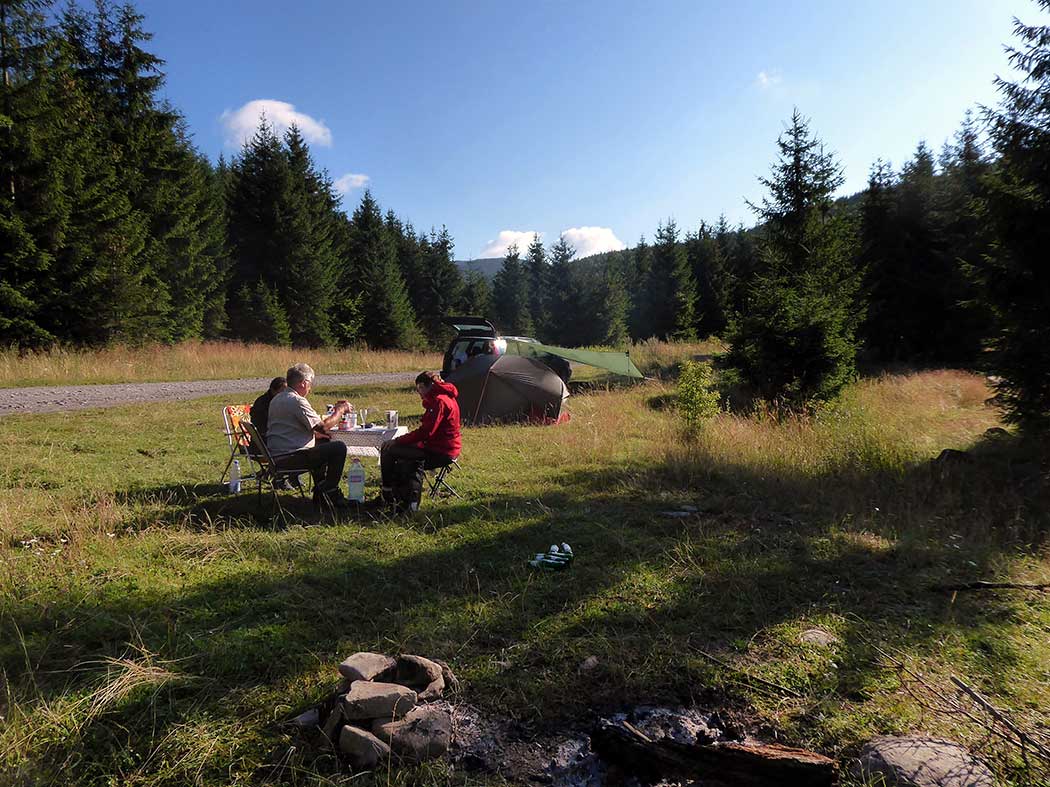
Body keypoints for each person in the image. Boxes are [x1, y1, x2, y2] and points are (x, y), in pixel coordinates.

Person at [266, 363, 352, 510]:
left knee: (323, 442)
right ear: (304, 383)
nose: (310, 388)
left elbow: (297, 427)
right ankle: (329, 490)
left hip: (276, 454)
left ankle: (322, 493)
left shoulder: (277, 399)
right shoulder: (297, 401)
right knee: (338, 448)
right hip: (290, 457)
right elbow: (323, 427)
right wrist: (340, 410)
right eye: (310, 384)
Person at [380, 371, 461, 511]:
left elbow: (426, 432)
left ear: (423, 386)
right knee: (401, 456)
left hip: (441, 451)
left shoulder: (439, 401)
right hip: (437, 446)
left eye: (419, 389)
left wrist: (398, 441)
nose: (419, 393)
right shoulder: (444, 397)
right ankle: (396, 496)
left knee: (388, 450)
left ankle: (387, 493)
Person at [251, 376, 287, 443]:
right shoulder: (263, 403)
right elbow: (263, 426)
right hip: (265, 441)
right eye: (281, 392)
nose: (285, 395)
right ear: (273, 390)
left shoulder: (280, 401)